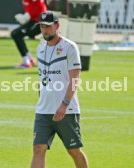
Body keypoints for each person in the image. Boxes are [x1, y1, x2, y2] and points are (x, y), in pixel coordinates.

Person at [31, 11, 89, 168]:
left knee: (74, 150)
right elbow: (42, 77)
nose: (45, 30)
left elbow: (75, 79)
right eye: (42, 27)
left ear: (57, 25)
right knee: (38, 149)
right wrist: (41, 100)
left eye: (48, 27)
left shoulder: (70, 47)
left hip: (66, 110)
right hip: (43, 110)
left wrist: (64, 104)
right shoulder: (40, 48)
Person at [11, 0, 47, 68]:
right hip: (34, 21)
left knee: (16, 34)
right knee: (15, 34)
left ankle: (26, 62)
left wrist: (27, 16)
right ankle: (29, 59)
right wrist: (27, 16)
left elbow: (40, 9)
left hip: (39, 22)